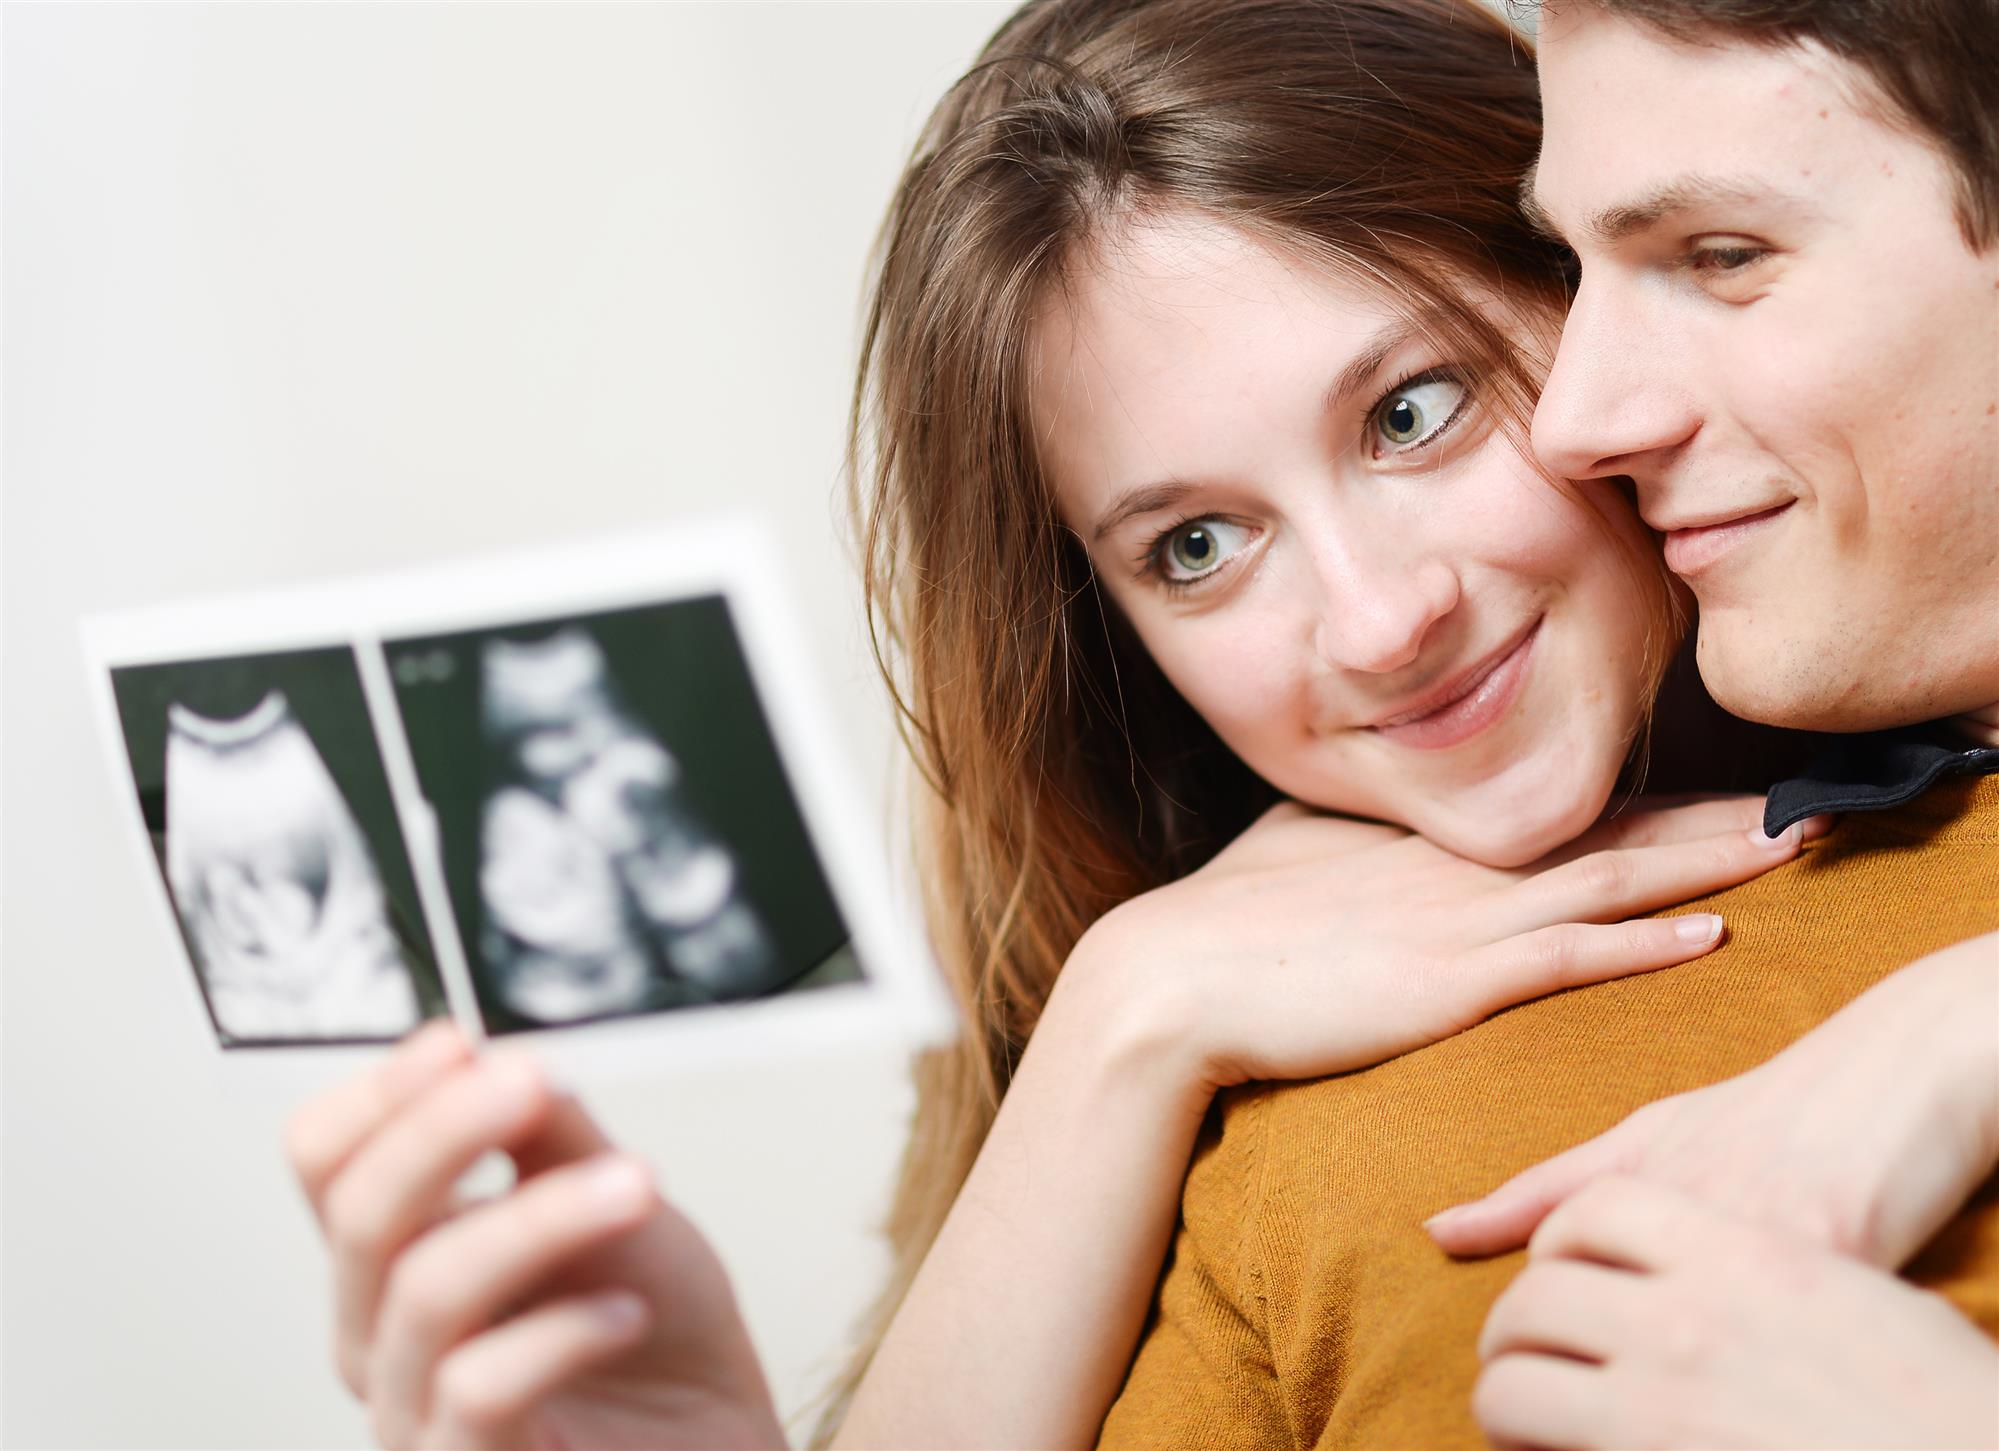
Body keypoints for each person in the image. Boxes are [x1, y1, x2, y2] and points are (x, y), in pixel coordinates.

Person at [278, 1, 1995, 1447]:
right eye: (1194, 547)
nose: (1382, 621)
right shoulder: (1217, 1149)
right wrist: (1120, 1026)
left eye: (1414, 411)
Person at [1096, 1, 1999, 1447]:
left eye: (1723, 257)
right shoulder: (1294, 1115)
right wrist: (1116, 1022)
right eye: (1193, 543)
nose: (1586, 417)